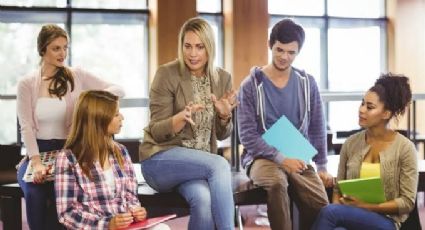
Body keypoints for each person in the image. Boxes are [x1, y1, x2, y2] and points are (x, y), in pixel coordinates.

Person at [16, 24, 125, 230]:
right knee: (35, 193)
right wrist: (37, 163)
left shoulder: (77, 75)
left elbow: (118, 89)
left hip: (70, 153)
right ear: (42, 50)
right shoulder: (26, 83)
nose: (62, 53)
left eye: (65, 47)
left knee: (65, 196)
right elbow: (26, 127)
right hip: (37, 154)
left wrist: (91, 103)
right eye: (56, 48)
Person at [139, 17, 236, 230]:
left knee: (203, 199)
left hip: (198, 167)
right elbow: (156, 130)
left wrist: (224, 116)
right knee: (219, 163)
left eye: (200, 47)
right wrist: (179, 119)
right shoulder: (167, 74)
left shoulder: (222, 78)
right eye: (188, 46)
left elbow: (222, 134)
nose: (193, 54)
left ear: (209, 48)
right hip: (160, 159)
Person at [237, 18, 331, 230]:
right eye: (279, 50)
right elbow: (248, 136)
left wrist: (322, 165)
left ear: (298, 52)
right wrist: (281, 159)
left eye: (291, 52)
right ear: (271, 45)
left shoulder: (308, 83)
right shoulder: (250, 85)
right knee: (278, 183)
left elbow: (317, 124)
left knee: (320, 203)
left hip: (297, 153)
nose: (284, 57)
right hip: (261, 158)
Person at [312, 74, 418, 230]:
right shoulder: (351, 143)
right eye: (362, 104)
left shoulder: (405, 148)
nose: (361, 110)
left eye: (370, 107)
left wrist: (365, 206)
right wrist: (341, 210)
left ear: (386, 114)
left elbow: (407, 202)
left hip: (386, 221)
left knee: (329, 213)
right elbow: (338, 189)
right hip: (349, 216)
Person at [55, 90, 169, 230]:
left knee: (162, 228)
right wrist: (108, 224)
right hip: (96, 228)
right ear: (98, 119)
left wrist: (135, 212)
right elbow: (67, 214)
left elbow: (130, 197)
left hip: (125, 227)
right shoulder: (67, 158)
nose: (122, 117)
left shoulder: (120, 151)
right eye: (116, 114)